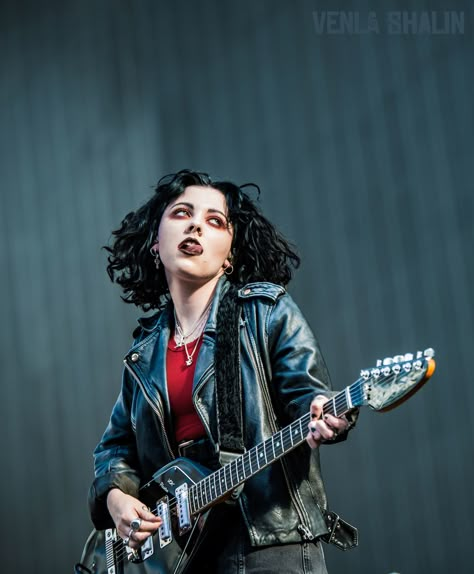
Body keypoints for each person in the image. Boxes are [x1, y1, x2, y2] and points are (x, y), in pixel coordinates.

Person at [87, 169, 357, 574]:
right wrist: (116, 499)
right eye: (181, 213)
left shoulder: (265, 312)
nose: (196, 224)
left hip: (270, 541)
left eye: (216, 221)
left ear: (229, 255)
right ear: (156, 243)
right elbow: (115, 450)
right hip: (187, 555)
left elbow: (309, 396)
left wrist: (324, 411)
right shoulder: (143, 353)